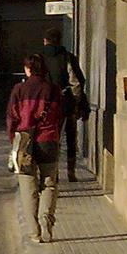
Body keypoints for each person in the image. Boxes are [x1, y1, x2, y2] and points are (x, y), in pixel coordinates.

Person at [7, 54, 64, 243]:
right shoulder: (54, 90)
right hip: (48, 141)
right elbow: (60, 116)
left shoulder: (19, 89)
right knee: (49, 183)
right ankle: (46, 221)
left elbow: (12, 118)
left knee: (27, 185)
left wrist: (13, 142)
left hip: (25, 142)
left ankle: (34, 231)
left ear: (28, 69)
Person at [40, 27, 87, 182]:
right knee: (71, 138)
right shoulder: (67, 57)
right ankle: (71, 172)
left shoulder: (39, 58)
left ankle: (53, 173)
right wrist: (76, 102)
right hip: (67, 103)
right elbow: (76, 82)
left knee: (53, 139)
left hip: (48, 105)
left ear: (45, 40)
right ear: (60, 40)